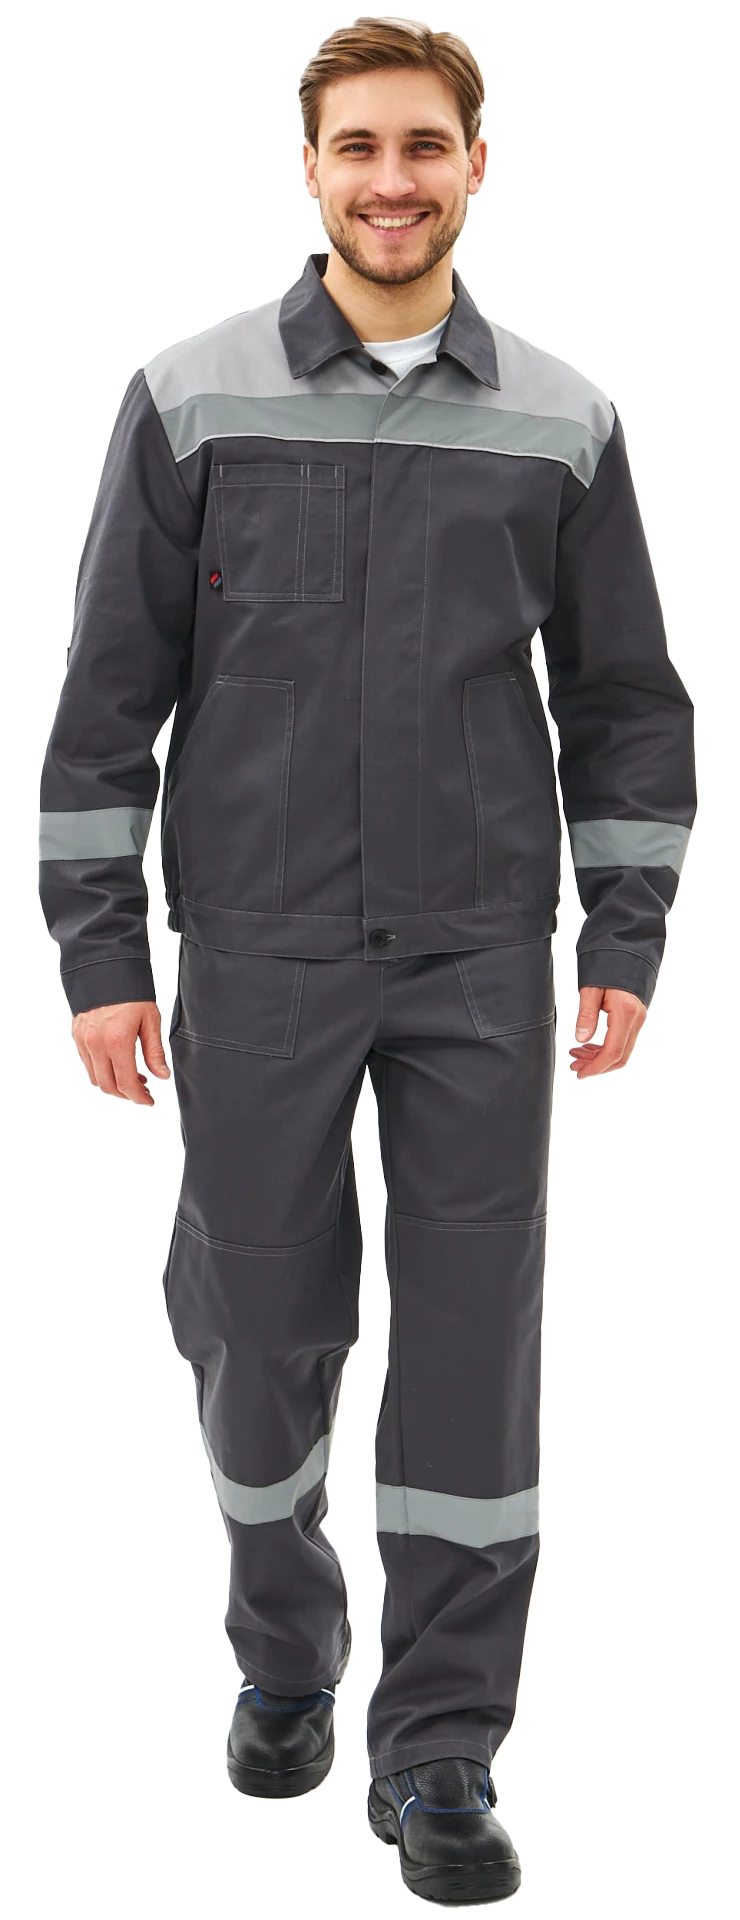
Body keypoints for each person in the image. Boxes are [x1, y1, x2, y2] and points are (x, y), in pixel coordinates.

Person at [36, 15, 697, 1906]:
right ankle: (282, 1646)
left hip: (480, 959)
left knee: (477, 1354)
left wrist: (626, 933)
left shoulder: (564, 418)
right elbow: (106, 700)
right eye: (358, 147)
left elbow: (628, 704)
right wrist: (100, 953)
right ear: (309, 168)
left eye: (424, 145)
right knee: (255, 1332)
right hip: (255, 952)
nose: (392, 181)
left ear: (480, 163)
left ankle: (442, 1748)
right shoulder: (190, 397)